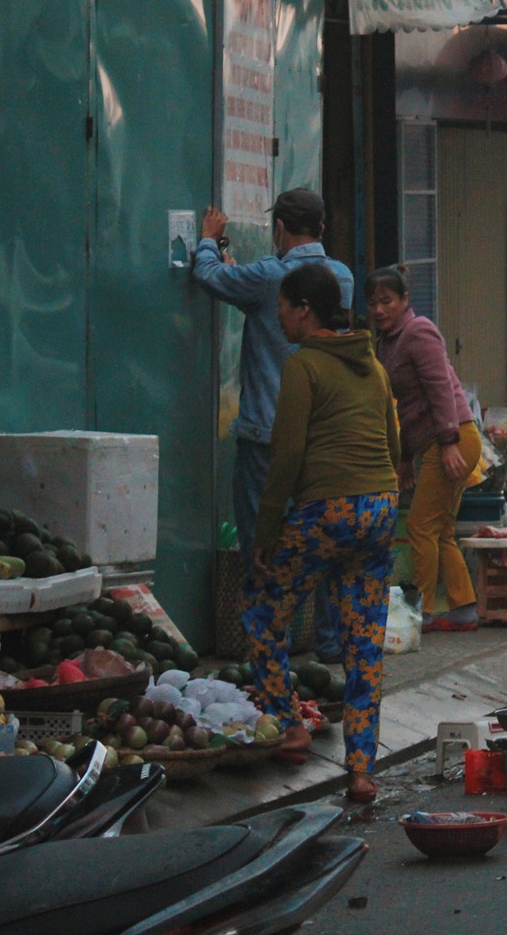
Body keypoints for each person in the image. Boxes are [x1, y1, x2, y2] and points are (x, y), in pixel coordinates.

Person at [243, 262, 399, 803]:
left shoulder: (303, 365)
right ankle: (360, 771)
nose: (280, 318)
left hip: (326, 511)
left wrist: (266, 530)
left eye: (283, 308)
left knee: (263, 616)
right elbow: (393, 444)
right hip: (380, 507)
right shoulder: (372, 365)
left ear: (304, 310)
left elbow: (285, 456)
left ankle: (289, 725)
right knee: (363, 644)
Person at [194, 189, 350, 662]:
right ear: (321, 230)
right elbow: (258, 293)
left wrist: (208, 241)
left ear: (279, 229)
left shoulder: (268, 277)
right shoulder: (339, 276)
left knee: (263, 549)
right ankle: (327, 647)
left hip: (265, 439)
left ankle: (269, 650)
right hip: (321, 440)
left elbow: (210, 276)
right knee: (321, 545)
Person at [366, 267, 481, 633]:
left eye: (387, 301)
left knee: (420, 525)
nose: (380, 310)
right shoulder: (385, 340)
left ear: (404, 300)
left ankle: (423, 610)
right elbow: (402, 406)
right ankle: (463, 607)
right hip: (433, 442)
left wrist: (447, 443)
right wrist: (404, 459)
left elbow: (440, 389)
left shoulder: (419, 331)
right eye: (373, 303)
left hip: (454, 437)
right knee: (442, 529)